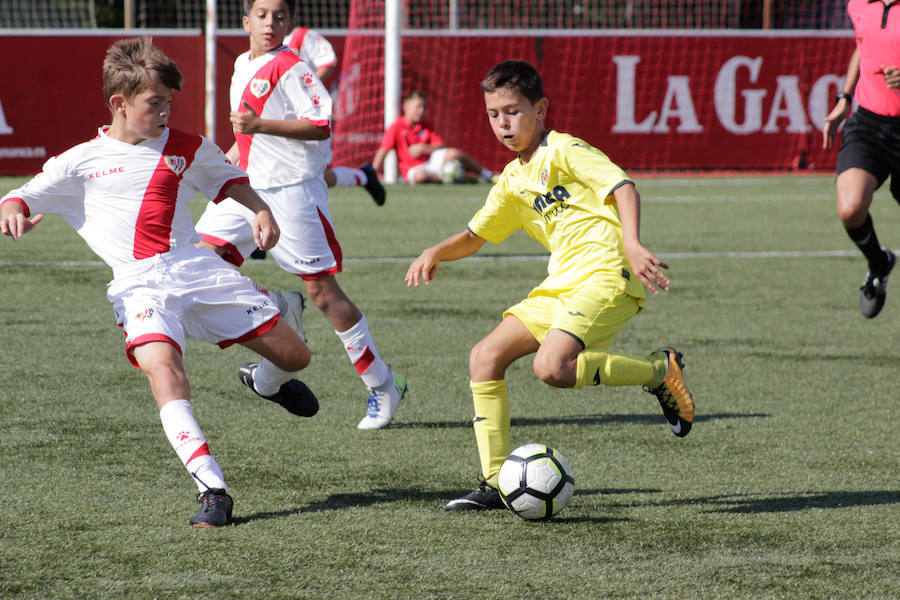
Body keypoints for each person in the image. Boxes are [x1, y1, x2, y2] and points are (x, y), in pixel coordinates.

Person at [0, 37, 319, 528]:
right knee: (164, 370)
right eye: (155, 103)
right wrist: (14, 208)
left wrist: (259, 210)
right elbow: (21, 194)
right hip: (138, 286)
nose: (166, 111)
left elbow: (229, 179)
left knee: (297, 357)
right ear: (119, 104)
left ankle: (264, 381)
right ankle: (213, 489)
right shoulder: (80, 161)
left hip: (198, 269)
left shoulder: (187, 147)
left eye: (170, 102)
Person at [405, 60, 695, 511]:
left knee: (552, 368)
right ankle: (493, 482)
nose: (503, 123)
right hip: (561, 283)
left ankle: (661, 372)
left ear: (540, 109)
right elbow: (475, 236)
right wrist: (435, 252)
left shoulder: (565, 150)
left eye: (513, 111)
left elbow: (622, 186)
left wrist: (633, 244)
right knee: (484, 357)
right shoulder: (511, 180)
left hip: (605, 272)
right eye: (493, 114)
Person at [195, 0, 406, 430]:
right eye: (262, 14)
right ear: (246, 21)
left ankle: (383, 383)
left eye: (280, 16)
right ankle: (277, 306)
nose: (270, 23)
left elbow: (321, 124)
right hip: (249, 187)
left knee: (324, 294)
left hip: (292, 192)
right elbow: (244, 134)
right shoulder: (240, 64)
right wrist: (220, 172)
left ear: (289, 23)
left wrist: (260, 126)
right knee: (198, 261)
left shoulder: (293, 66)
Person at [823, 0, 900, 319]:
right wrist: (845, 97)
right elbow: (862, 44)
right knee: (850, 209)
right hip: (868, 123)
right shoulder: (858, 4)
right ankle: (879, 264)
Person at [287, 25, 385, 206]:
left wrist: (303, 89)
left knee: (323, 176)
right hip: (282, 119)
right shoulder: (261, 46)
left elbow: (328, 63)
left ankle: (364, 176)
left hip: (309, 116)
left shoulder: (301, 37)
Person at [372, 90, 496, 185]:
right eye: (418, 107)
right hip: (412, 169)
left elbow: (441, 146)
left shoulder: (425, 126)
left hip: (431, 162)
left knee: (454, 153)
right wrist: (372, 175)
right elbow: (383, 151)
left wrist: (423, 148)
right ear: (406, 107)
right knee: (421, 177)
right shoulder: (396, 127)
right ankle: (458, 178)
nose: (421, 111)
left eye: (424, 107)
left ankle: (487, 175)